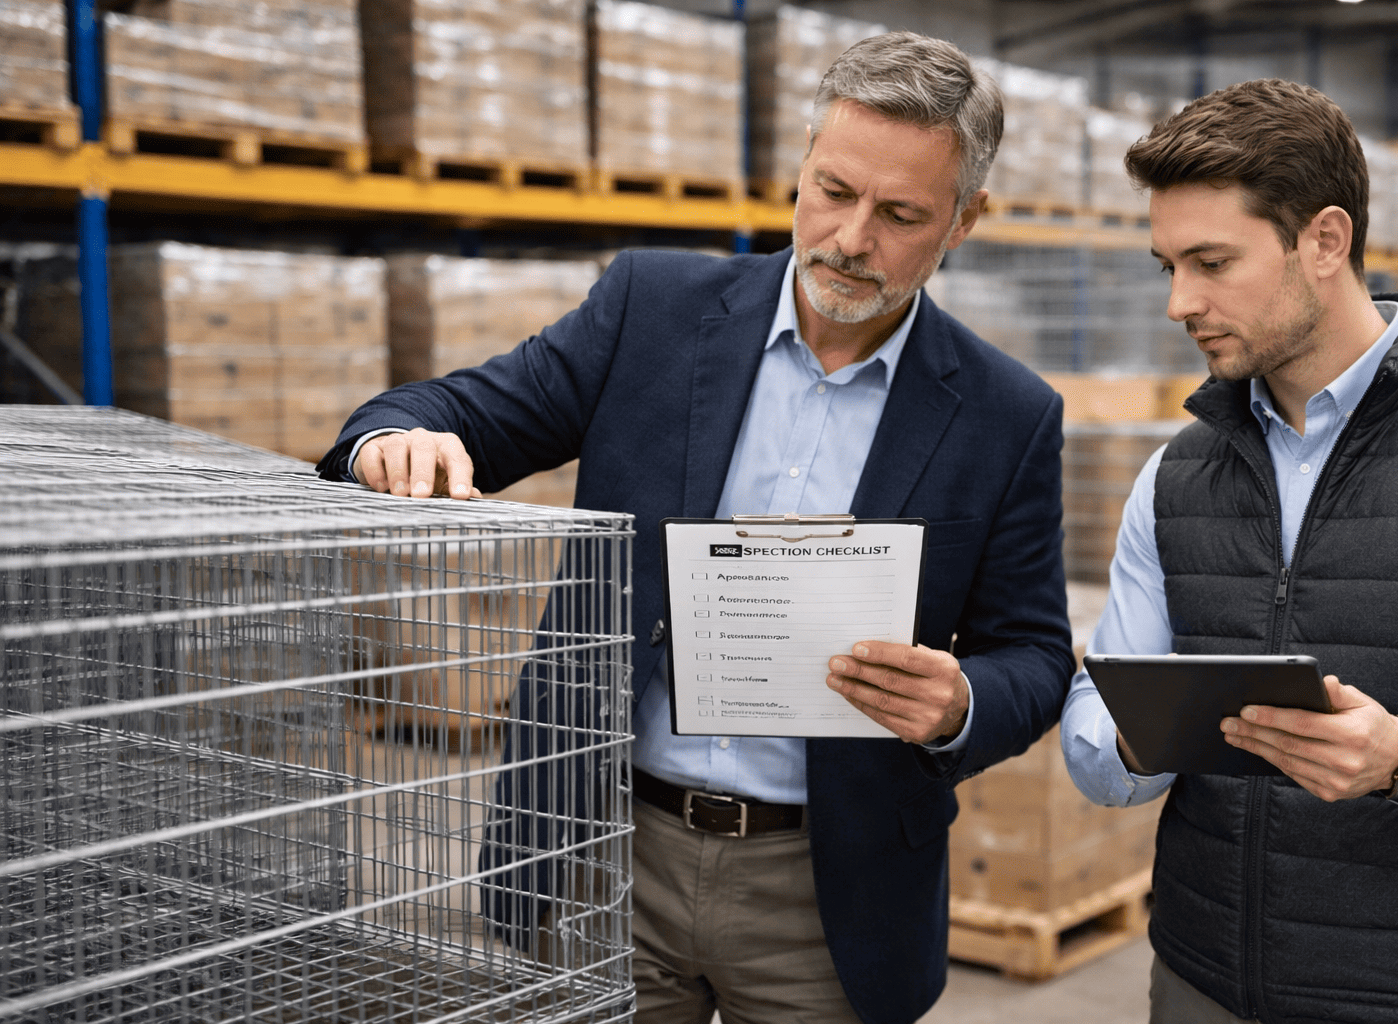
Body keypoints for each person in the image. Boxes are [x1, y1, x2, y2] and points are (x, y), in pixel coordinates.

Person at [316, 32, 1075, 1024]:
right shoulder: (654, 310)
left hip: (825, 890)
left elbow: (1037, 652)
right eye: (832, 190)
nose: (850, 238)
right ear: (801, 162)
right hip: (603, 851)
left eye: (899, 215)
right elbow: (465, 409)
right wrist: (394, 437)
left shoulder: (1005, 414)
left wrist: (962, 699)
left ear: (964, 221)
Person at [1060, 78, 1398, 1024]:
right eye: (1168, 267)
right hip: (1200, 979)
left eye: (1211, 261)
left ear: (1325, 240)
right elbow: (1096, 721)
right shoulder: (1175, 476)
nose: (1180, 302)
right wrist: (1128, 735)